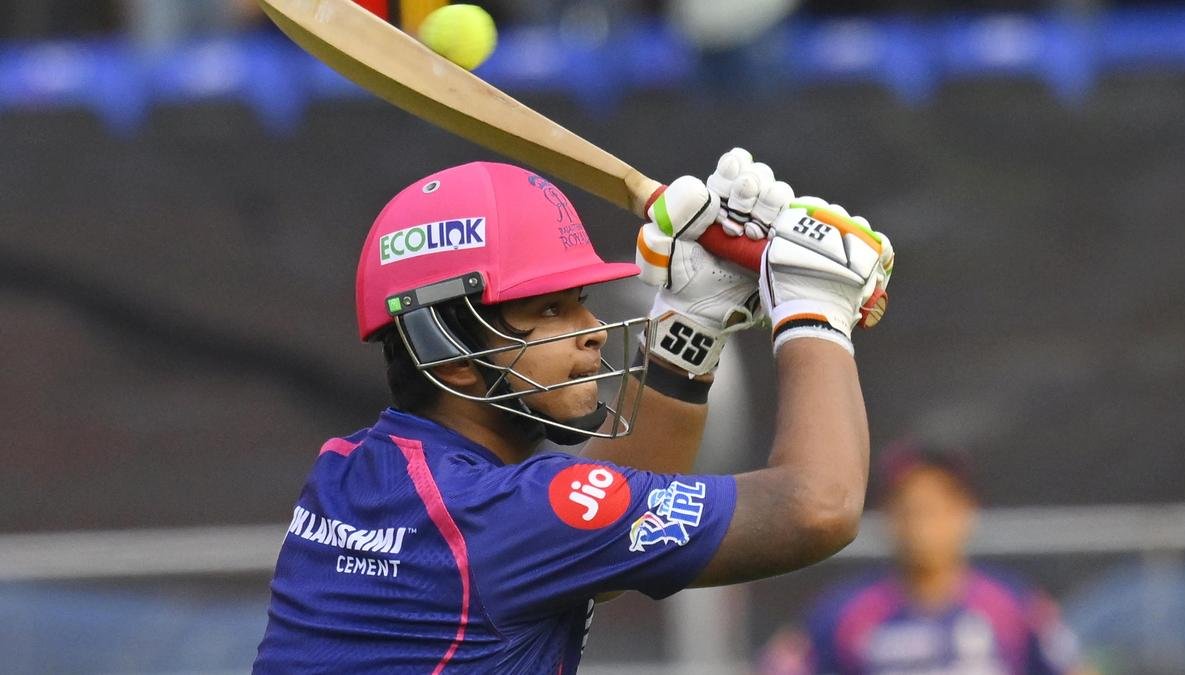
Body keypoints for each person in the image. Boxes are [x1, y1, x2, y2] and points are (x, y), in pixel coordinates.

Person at [253, 149, 894, 673]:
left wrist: (690, 328)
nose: (593, 329)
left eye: (580, 300)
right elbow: (820, 506)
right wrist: (813, 312)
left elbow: (592, 549)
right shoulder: (501, 516)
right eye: (551, 310)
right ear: (447, 352)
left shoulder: (347, 473)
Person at [757, 442, 1090, 675]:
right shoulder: (844, 612)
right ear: (887, 516)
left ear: (967, 512)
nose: (924, 524)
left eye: (937, 508)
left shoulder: (1015, 604)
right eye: (911, 509)